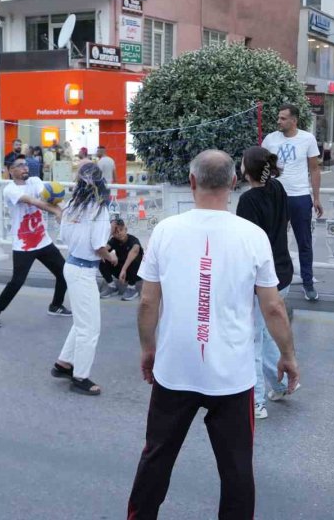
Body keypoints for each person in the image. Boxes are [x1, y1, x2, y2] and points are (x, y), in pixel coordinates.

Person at [127, 150, 299, 519]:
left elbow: (147, 303)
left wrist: (148, 348)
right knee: (237, 469)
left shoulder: (165, 230)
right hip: (232, 376)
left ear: (192, 182)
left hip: (175, 369)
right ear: (233, 183)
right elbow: (273, 307)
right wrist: (288, 355)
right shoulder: (252, 237)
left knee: (156, 457)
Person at [236, 146, 298, 420]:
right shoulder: (278, 189)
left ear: (246, 169)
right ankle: (282, 384)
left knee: (253, 338)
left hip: (259, 275)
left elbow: (244, 245)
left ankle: (255, 402)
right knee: (264, 331)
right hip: (282, 269)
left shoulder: (248, 200)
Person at [51, 163, 116, 396]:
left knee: (81, 322)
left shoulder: (71, 206)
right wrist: (112, 257)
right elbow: (99, 246)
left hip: (72, 265)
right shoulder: (100, 210)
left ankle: (63, 363)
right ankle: (80, 377)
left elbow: (66, 236)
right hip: (84, 271)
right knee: (90, 328)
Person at [0, 157, 72, 328]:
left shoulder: (35, 181)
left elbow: (48, 196)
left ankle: (55, 306)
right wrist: (56, 211)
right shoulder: (9, 190)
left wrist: (64, 209)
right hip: (24, 245)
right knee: (17, 282)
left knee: (64, 273)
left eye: (26, 164)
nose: (25, 168)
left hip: (43, 241)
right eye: (20, 166)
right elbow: (34, 201)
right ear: (10, 170)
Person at [261, 104, 323, 301]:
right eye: (278, 118)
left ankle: (308, 283)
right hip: (275, 196)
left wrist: (316, 197)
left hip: (300, 197)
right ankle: (272, 281)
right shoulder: (270, 139)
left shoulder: (307, 138)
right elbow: (262, 167)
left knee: (304, 241)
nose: (278, 121)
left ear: (294, 120)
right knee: (272, 240)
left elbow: (314, 169)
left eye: (283, 118)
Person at [98, 217, 143, 301]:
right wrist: (110, 255)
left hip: (135, 273)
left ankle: (132, 288)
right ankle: (112, 286)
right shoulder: (114, 240)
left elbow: (135, 251)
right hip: (121, 271)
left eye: (121, 230)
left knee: (134, 258)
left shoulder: (133, 240)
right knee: (102, 257)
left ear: (125, 229)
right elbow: (101, 250)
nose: (119, 233)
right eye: (115, 232)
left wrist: (123, 270)